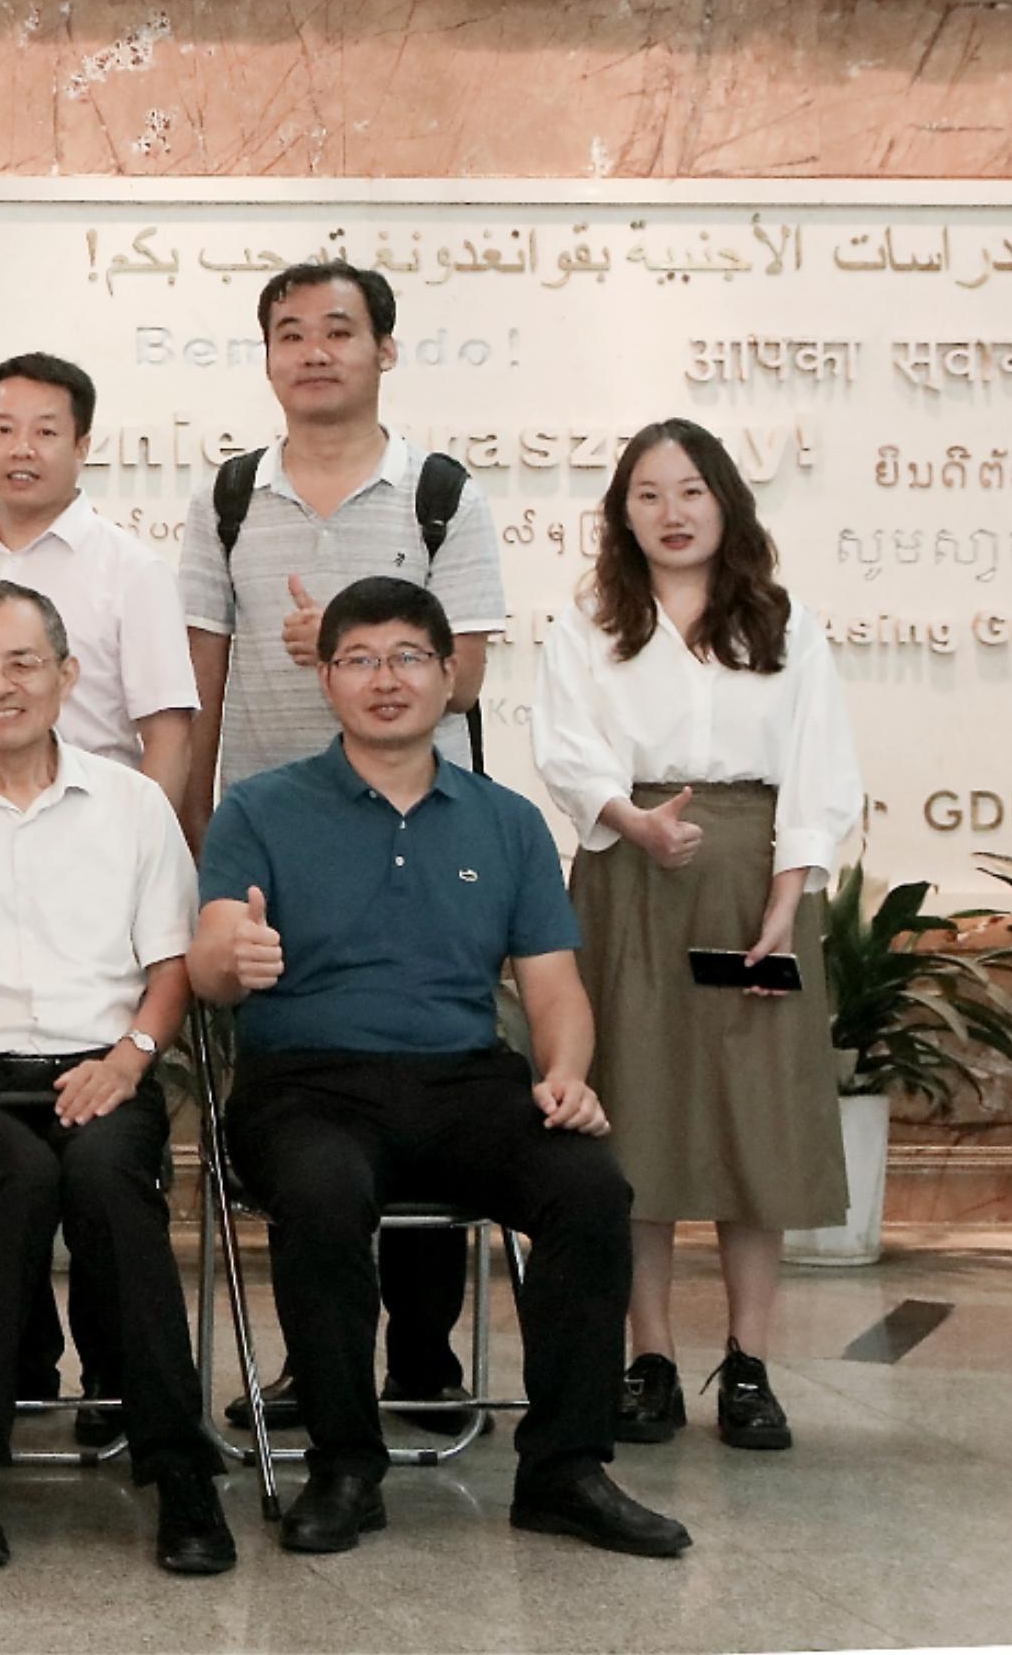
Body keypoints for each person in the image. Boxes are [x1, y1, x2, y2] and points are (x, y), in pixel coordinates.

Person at [190, 576, 686, 1560]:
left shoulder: (507, 822)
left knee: (590, 1189)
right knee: (322, 1194)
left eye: (409, 657)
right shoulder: (260, 809)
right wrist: (232, 960)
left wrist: (567, 1073)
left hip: (464, 1080)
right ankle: (344, 1466)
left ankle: (567, 1471)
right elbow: (208, 960)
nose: (386, 680)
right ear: (326, 679)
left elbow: (554, 989)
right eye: (360, 660)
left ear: (450, 673)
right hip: (307, 1085)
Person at [178, 260, 512, 1431]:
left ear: (385, 349)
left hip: (422, 827)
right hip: (276, 841)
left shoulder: (440, 492)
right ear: (268, 357)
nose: (314, 352)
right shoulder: (229, 497)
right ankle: (315, 1363)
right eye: (290, 333)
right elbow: (199, 679)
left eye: (338, 330)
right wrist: (193, 824)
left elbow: (470, 669)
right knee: (303, 1101)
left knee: (430, 1071)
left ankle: (422, 1357)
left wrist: (351, 640)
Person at [0, 582, 235, 1576]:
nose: (0, 686)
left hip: (104, 1064)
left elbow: (171, 968)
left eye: (22, 663)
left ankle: (180, 1474)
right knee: (17, 1180)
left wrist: (130, 1058)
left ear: (67, 676)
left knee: (109, 1179)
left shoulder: (133, 804)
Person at [532, 420, 859, 1454]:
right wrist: (632, 823)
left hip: (756, 878)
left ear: (725, 501)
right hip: (630, 872)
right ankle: (652, 1359)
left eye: (690, 491)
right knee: (636, 1112)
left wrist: (788, 897)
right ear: (622, 514)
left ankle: (750, 1363)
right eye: (648, 494)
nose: (671, 513)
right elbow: (565, 749)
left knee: (752, 1117)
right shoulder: (591, 622)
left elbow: (820, 764)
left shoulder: (783, 621)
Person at [0, 352, 198, 785]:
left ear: (81, 447)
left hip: (93, 816)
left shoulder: (134, 571)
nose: (22, 449)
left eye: (45, 432)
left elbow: (169, 736)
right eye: (4, 430)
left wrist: (144, 828)